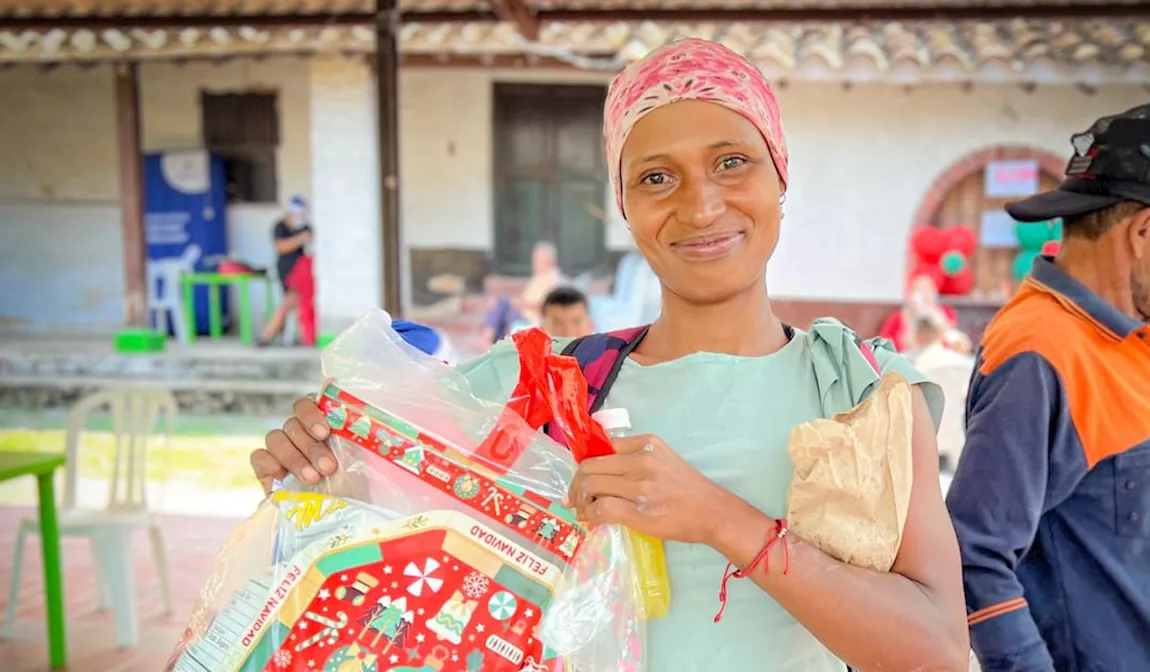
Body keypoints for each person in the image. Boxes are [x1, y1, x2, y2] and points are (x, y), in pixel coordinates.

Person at [249, 38, 969, 671]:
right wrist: (320, 471)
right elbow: (379, 544)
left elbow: (935, 651)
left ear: (781, 179)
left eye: (732, 162)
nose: (700, 205)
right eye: (657, 177)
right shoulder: (535, 383)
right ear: (625, 204)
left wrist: (721, 519)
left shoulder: (859, 392)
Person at [946, 98, 1150, 672]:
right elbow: (975, 559)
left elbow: (1119, 480)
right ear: (1145, 231)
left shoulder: (1133, 333)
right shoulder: (1040, 353)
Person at [908, 311, 975, 475]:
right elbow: (968, 396)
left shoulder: (906, 363)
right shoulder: (962, 363)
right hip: (953, 430)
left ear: (916, 335)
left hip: (916, 434)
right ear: (941, 334)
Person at [479, 241, 565, 345]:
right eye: (535, 259)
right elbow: (526, 297)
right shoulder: (539, 276)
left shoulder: (554, 279)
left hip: (533, 317)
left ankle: (486, 340)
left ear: (550, 260)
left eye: (539, 259)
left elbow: (547, 305)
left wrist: (521, 304)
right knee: (500, 306)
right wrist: (517, 302)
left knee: (502, 306)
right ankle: (489, 341)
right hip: (524, 312)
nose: (535, 262)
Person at [258, 195, 312, 346]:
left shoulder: (305, 227)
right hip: (287, 272)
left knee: (290, 305)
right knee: (287, 305)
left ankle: (266, 337)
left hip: (303, 274)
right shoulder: (280, 227)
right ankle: (266, 337)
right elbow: (281, 247)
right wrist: (300, 239)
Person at [879, 273, 958, 352]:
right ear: (910, 294)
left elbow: (954, 340)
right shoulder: (899, 317)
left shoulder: (946, 312)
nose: (924, 294)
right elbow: (884, 344)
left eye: (928, 289)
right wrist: (903, 341)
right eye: (919, 290)